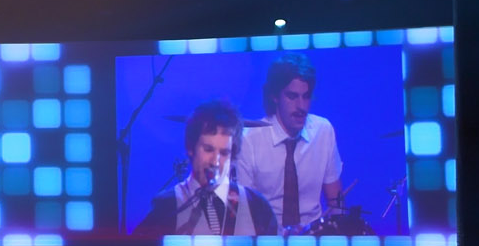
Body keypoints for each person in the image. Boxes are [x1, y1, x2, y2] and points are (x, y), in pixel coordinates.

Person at [234, 54, 343, 231]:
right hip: (268, 240)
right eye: (292, 96)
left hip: (314, 239)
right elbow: (246, 213)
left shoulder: (324, 131)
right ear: (274, 96)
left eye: (306, 97)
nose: (301, 106)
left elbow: (336, 202)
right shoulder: (248, 140)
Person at [137, 100, 278, 236]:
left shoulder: (257, 207)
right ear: (190, 148)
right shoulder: (166, 207)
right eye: (208, 150)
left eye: (224, 153)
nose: (215, 162)